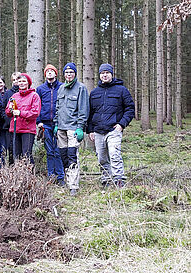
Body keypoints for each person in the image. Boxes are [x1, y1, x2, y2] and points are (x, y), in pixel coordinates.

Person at [87, 63, 135, 188]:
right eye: (102, 73)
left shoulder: (121, 90)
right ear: (100, 75)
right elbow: (90, 112)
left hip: (113, 129)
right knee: (102, 158)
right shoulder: (94, 92)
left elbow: (130, 108)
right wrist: (90, 130)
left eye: (107, 73)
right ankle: (106, 180)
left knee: (114, 155)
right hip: (98, 131)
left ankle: (119, 180)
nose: (105, 75)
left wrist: (121, 124)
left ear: (112, 74)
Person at [54, 62, 89, 196]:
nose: (69, 75)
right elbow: (58, 107)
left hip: (73, 128)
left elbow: (83, 109)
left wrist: (80, 127)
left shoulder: (81, 88)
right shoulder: (61, 88)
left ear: (75, 74)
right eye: (67, 73)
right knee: (63, 156)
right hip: (61, 128)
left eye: (71, 72)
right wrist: (56, 124)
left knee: (72, 155)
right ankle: (68, 181)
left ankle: (73, 186)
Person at [36, 64, 65, 185]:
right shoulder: (40, 89)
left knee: (58, 150)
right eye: (47, 71)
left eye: (52, 71)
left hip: (59, 124)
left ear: (55, 73)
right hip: (45, 124)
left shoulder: (62, 87)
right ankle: (51, 176)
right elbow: (37, 106)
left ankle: (60, 177)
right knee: (49, 151)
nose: (49, 73)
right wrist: (39, 121)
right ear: (45, 74)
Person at [5, 73, 41, 164]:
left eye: (24, 81)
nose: (21, 83)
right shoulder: (14, 96)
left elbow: (35, 113)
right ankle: (19, 176)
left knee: (26, 155)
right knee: (16, 155)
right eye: (19, 81)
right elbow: (8, 112)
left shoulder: (34, 96)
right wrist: (10, 110)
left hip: (28, 130)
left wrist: (20, 113)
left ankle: (29, 176)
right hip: (15, 129)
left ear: (28, 83)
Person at [2, 72, 21, 165]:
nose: (15, 82)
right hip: (9, 126)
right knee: (11, 148)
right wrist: (6, 118)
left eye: (17, 79)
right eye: (13, 80)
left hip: (22, 125)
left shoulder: (28, 93)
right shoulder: (8, 93)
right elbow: (2, 108)